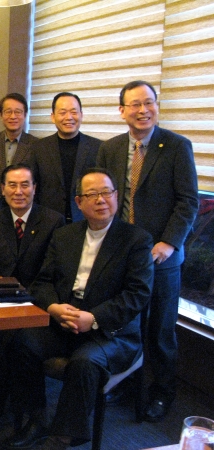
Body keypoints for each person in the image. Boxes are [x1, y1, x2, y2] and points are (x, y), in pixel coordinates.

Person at [0, 168, 154, 450]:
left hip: (111, 332)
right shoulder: (66, 236)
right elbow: (43, 281)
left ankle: (62, 438)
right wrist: (53, 307)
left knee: (84, 362)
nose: (100, 200)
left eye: (106, 192)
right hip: (66, 320)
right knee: (20, 340)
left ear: (116, 196)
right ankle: (36, 419)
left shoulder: (136, 240)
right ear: (79, 201)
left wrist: (94, 318)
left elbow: (137, 295)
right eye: (91, 194)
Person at [97, 80, 199, 422]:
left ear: (156, 105)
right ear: (122, 110)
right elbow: (105, 197)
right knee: (126, 326)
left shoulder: (176, 146)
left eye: (149, 103)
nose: (143, 110)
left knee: (160, 330)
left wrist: (169, 243)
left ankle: (162, 392)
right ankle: (129, 383)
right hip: (122, 253)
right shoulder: (109, 149)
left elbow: (188, 202)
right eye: (135, 105)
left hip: (162, 257)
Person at [0, 164, 65, 287]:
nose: (18, 192)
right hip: (0, 291)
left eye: (25, 185)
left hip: (37, 294)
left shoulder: (53, 222)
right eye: (12, 185)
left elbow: (52, 270)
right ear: (3, 189)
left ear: (34, 188)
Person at [25, 92, 102, 223]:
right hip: (47, 221)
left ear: (81, 115)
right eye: (62, 113)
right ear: (53, 117)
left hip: (86, 220)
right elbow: (33, 187)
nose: (69, 117)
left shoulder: (98, 147)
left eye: (74, 112)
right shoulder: (38, 148)